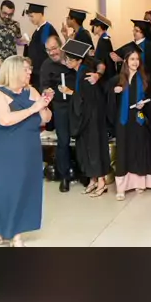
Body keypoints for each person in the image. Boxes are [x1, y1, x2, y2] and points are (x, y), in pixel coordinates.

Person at [0, 55, 53, 246]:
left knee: (24, 189)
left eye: (30, 69)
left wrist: (44, 105)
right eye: (25, 69)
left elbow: (45, 119)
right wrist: (33, 108)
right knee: (2, 189)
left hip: (28, 149)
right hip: (3, 150)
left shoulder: (31, 91)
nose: (30, 72)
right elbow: (5, 120)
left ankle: (16, 233)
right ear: (13, 71)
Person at [60, 39, 111, 198]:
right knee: (86, 148)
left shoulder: (86, 74)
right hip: (88, 117)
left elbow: (87, 99)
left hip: (92, 118)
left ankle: (101, 182)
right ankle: (93, 180)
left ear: (79, 60)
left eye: (70, 59)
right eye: (67, 59)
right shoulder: (80, 72)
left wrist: (69, 92)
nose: (67, 62)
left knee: (94, 148)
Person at [107, 48, 151, 201]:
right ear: (125, 61)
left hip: (139, 120)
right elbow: (106, 96)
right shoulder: (117, 79)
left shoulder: (145, 79)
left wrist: (145, 104)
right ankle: (121, 187)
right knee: (124, 151)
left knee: (138, 150)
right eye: (132, 59)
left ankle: (138, 183)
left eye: (137, 59)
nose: (135, 62)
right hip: (123, 121)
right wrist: (114, 92)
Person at [39, 35, 77, 193]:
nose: (52, 52)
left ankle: (87, 173)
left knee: (83, 138)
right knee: (63, 140)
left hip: (78, 104)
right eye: (48, 50)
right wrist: (46, 91)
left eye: (54, 48)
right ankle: (64, 177)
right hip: (60, 106)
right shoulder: (46, 65)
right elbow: (43, 86)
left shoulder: (72, 57)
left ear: (61, 46)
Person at [0, 0, 24, 89]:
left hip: (10, 64)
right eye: (4, 13)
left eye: (10, 14)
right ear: (0, 10)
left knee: (8, 89)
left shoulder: (15, 25)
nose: (7, 16)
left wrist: (23, 41)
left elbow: (18, 41)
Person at [22, 3, 59, 91]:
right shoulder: (38, 30)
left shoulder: (47, 29)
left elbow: (46, 50)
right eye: (29, 17)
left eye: (32, 16)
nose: (30, 19)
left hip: (42, 71)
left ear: (40, 14)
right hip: (36, 70)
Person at [113, 19, 151, 84]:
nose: (134, 33)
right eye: (134, 30)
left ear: (144, 32)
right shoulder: (131, 45)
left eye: (137, 31)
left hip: (144, 79)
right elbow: (116, 55)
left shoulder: (150, 47)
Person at [90, 13, 116, 83]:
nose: (92, 28)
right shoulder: (104, 38)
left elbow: (100, 59)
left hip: (106, 77)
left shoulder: (103, 40)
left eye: (94, 26)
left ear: (99, 27)